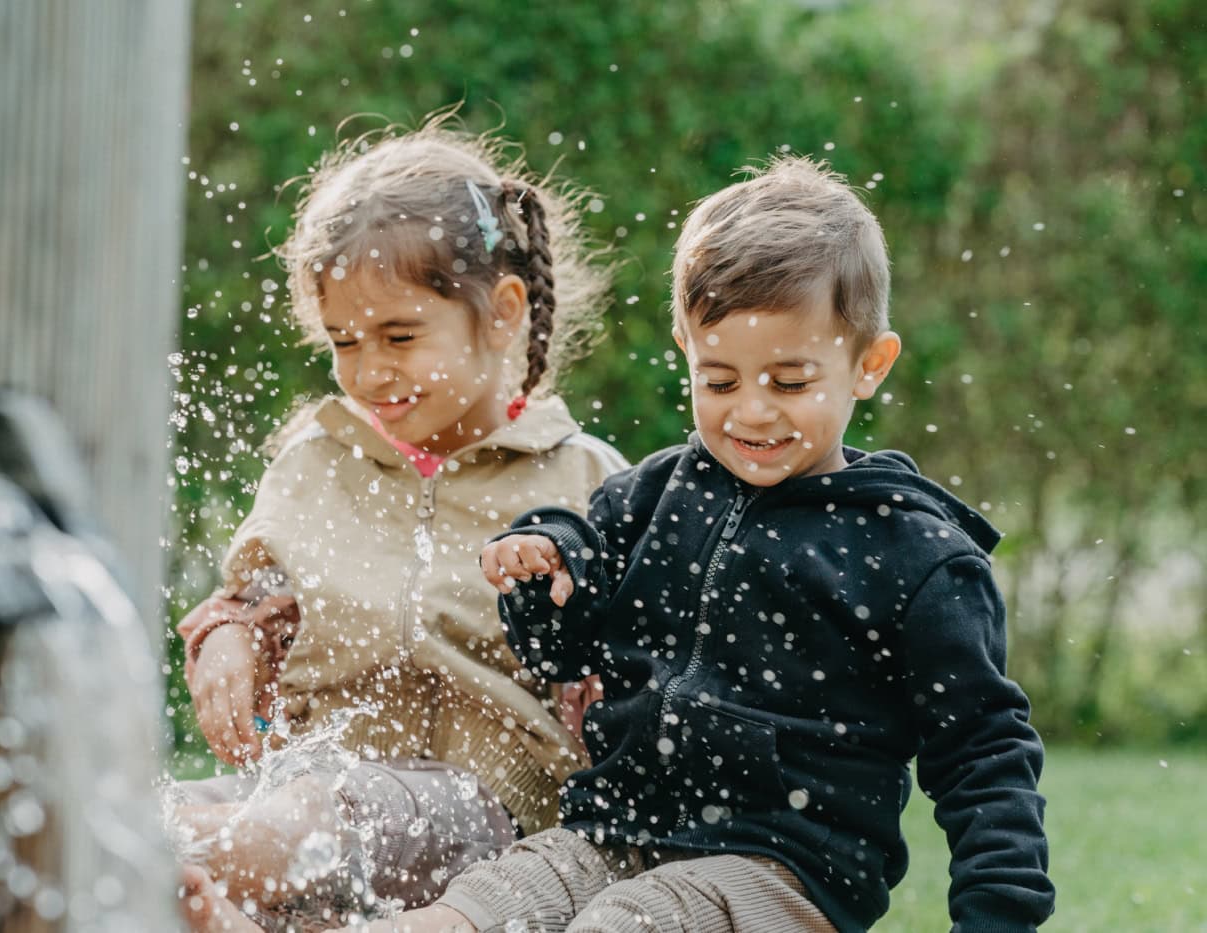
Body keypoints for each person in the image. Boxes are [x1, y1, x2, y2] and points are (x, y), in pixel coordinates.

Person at [372, 156, 1056, 932]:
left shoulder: (911, 554)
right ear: (685, 348)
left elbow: (985, 759)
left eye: (790, 382)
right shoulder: (651, 497)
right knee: (467, 910)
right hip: (616, 833)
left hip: (782, 868)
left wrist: (997, 918)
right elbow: (563, 655)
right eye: (720, 380)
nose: (752, 413)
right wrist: (545, 571)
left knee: (624, 923)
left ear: (868, 364)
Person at [172, 117, 625, 931]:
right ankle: (169, 867)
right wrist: (227, 643)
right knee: (182, 811)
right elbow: (251, 599)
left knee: (296, 822)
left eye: (400, 335)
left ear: (502, 312)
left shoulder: (584, 478)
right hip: (302, 801)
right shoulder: (316, 462)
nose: (370, 370)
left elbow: (643, 660)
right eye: (344, 340)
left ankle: (147, 856)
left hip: (484, 820)